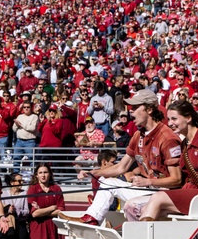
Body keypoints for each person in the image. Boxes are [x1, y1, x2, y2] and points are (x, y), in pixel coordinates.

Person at [71, 89, 182, 226]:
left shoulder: (167, 137)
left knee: (131, 204)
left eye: (135, 107)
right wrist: (93, 172)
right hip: (148, 190)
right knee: (107, 182)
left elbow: (176, 180)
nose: (131, 111)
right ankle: (92, 219)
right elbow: (121, 167)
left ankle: (133, 235)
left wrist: (147, 182)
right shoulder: (138, 135)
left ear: (149, 110)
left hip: (164, 195)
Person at [140, 100, 198, 221]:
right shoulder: (185, 143)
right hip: (191, 191)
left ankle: (142, 238)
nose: (170, 123)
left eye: (174, 119)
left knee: (158, 198)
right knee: (144, 209)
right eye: (168, 119)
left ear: (188, 118)